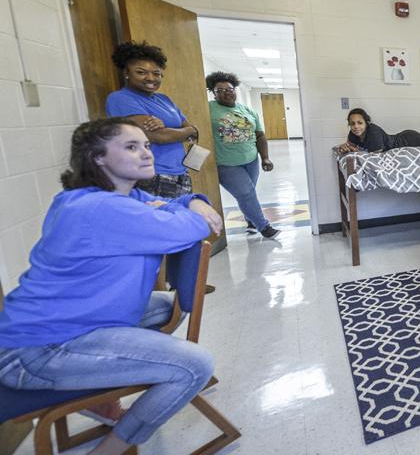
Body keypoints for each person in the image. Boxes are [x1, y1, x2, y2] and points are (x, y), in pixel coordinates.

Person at [0, 117, 224, 455]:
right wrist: (194, 210)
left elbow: (177, 208)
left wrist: (194, 200)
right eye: (131, 147)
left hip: (55, 328)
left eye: (146, 145)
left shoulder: (101, 196)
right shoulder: (98, 208)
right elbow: (190, 229)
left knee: (166, 306)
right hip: (36, 352)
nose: (147, 154)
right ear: (97, 157)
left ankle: (102, 397)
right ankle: (112, 448)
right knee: (194, 364)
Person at [106, 41, 198, 198]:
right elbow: (158, 137)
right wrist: (187, 131)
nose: (150, 78)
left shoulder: (164, 99)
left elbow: (191, 131)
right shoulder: (120, 99)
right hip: (152, 175)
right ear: (126, 73)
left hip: (180, 171)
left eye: (156, 73)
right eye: (141, 72)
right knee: (164, 221)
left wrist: (189, 130)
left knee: (181, 218)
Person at [205, 71, 279, 239]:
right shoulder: (208, 109)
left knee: (249, 193)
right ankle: (264, 226)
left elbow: (260, 135)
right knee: (245, 193)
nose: (226, 92)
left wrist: (264, 157)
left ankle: (251, 220)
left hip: (250, 160)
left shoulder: (248, 111)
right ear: (213, 93)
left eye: (229, 89)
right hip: (226, 163)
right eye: (220, 90)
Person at [334, 98, 420, 154]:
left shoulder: (373, 131)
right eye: (352, 124)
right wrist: (344, 147)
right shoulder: (353, 133)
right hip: (407, 138)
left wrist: (354, 150)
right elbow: (349, 146)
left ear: (366, 123)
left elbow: (374, 158)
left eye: (359, 123)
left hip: (410, 140)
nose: (356, 127)